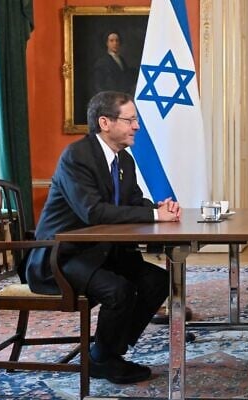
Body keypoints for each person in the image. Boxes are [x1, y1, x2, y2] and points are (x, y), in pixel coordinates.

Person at [25, 91, 180, 384]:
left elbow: (133, 202)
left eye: (136, 120)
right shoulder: (77, 157)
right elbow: (93, 212)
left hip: (99, 251)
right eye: (130, 120)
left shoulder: (124, 161)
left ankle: (105, 351)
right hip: (61, 255)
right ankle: (104, 359)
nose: (137, 126)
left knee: (157, 281)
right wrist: (154, 215)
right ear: (105, 123)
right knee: (118, 291)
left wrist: (159, 208)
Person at [92, 31, 137, 96]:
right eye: (111, 41)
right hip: (110, 97)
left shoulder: (121, 60)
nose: (115, 43)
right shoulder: (101, 62)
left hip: (122, 95)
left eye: (117, 40)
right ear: (107, 43)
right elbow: (98, 85)